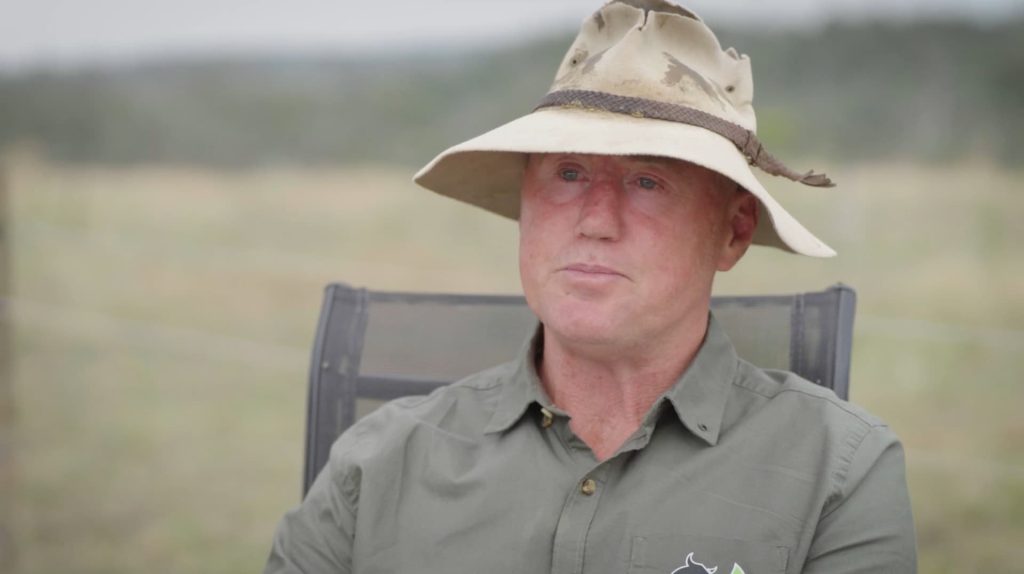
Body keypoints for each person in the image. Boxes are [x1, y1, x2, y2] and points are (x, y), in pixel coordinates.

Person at [265, 1, 917, 572]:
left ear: (733, 234)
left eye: (648, 182)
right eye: (569, 173)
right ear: (525, 207)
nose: (597, 221)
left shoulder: (838, 470)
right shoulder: (379, 464)